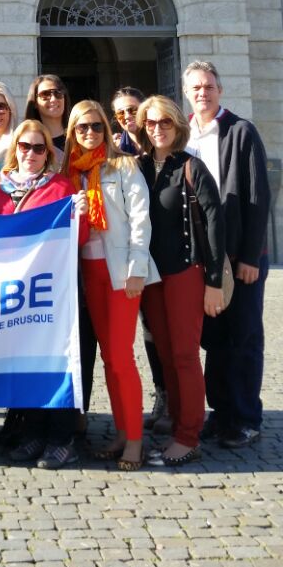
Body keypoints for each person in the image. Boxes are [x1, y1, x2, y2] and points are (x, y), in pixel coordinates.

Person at [62, 99, 157, 470]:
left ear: (107, 128)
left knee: (121, 357)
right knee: (107, 358)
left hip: (120, 273)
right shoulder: (69, 172)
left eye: (96, 126)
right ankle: (121, 432)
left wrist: (137, 269)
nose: (89, 133)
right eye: (82, 128)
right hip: (88, 274)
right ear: (72, 133)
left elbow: (140, 220)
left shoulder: (124, 165)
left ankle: (135, 441)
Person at [0, 119, 87, 469]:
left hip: (51, 290)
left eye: (39, 148)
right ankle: (32, 432)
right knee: (24, 362)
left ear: (49, 152)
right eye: (24, 147)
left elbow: (79, 238)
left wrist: (81, 216)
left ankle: (61, 438)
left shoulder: (61, 187)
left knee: (55, 360)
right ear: (14, 149)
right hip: (14, 289)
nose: (30, 154)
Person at [184, 60, 272, 448]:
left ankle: (246, 417)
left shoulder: (241, 131)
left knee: (244, 336)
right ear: (186, 92)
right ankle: (221, 414)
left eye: (209, 86)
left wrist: (250, 256)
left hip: (239, 255)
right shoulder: (183, 133)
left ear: (220, 90)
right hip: (204, 255)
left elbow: (257, 196)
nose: (203, 93)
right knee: (216, 339)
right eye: (196, 88)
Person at [136, 95, 225, 466]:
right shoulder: (137, 166)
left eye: (165, 123)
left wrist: (215, 282)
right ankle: (176, 426)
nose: (158, 129)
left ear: (178, 126)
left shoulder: (191, 167)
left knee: (185, 355)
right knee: (165, 355)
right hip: (151, 276)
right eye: (151, 123)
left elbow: (216, 224)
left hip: (185, 271)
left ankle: (189, 436)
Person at [111, 85, 169, 436]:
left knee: (162, 332)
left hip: (163, 255)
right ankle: (162, 395)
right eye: (119, 113)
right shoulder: (118, 150)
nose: (127, 118)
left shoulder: (161, 148)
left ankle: (172, 401)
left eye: (132, 110)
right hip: (134, 254)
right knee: (147, 333)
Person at [24, 73, 70, 153]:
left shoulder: (79, 137)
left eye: (58, 93)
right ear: (35, 102)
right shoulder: (27, 142)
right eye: (45, 94)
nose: (53, 99)